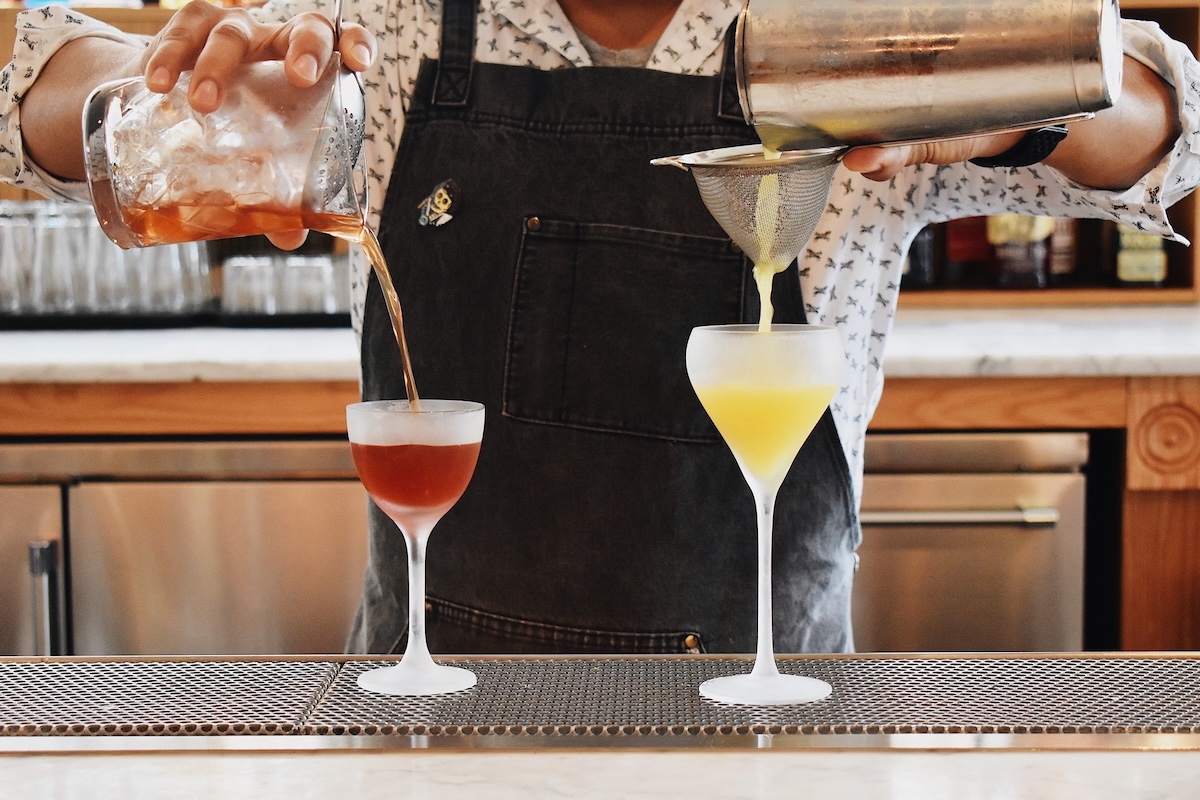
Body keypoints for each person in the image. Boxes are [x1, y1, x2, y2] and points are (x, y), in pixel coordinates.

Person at [2, 0, 1197, 656]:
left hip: (768, 736)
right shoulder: (393, 32)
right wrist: (144, 83)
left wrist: (1011, 86)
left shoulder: (852, 41)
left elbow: (1170, 135)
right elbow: (35, 101)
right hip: (436, 732)